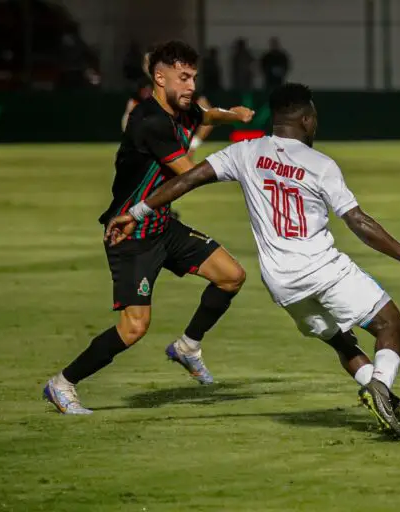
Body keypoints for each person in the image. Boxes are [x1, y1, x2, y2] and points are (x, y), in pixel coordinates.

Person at [106, 83, 400, 440]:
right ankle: (380, 387)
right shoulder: (320, 164)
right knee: (392, 325)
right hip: (322, 269)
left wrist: (137, 212)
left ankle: (386, 399)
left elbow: (188, 179)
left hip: (281, 282)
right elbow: (358, 221)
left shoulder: (245, 152)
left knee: (342, 342)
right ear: (306, 120)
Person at [43, 41, 255, 415]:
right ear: (160, 77)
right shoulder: (150, 121)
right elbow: (190, 174)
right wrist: (249, 166)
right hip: (130, 234)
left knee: (231, 276)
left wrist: (233, 115)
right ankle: (62, 383)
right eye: (183, 77)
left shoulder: (181, 109)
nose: (191, 85)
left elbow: (206, 115)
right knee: (134, 327)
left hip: (161, 226)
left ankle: (188, 346)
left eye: (193, 77)